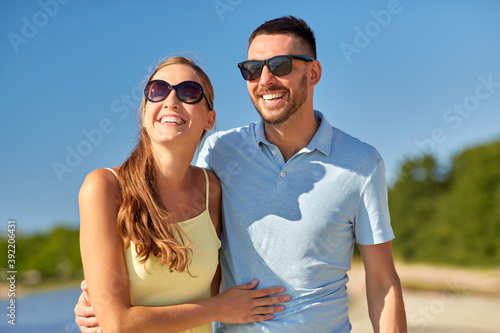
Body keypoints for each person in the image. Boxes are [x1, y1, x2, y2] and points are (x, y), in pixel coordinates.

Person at [76, 16, 407, 332]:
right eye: (252, 70)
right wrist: (100, 299)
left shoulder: (361, 164)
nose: (265, 80)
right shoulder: (219, 154)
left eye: (280, 65)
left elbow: (381, 281)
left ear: (314, 72)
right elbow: (172, 252)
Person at [77, 56, 290, 333]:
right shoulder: (104, 187)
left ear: (209, 119)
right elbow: (117, 323)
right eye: (158, 90)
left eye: (189, 92)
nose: (171, 100)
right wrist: (220, 309)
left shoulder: (211, 189)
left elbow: (218, 283)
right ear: (144, 112)